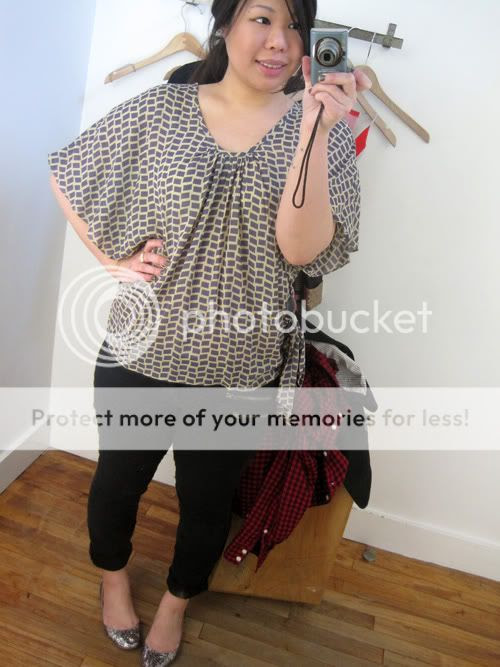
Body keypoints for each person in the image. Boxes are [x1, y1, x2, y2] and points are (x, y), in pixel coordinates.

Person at [48, 0, 371, 664]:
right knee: (119, 482)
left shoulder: (327, 131)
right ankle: (113, 578)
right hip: (140, 349)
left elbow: (301, 249)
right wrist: (111, 261)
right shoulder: (163, 110)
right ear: (225, 25)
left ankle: (176, 602)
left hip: (242, 365)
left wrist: (314, 129)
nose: (279, 40)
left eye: (295, 25)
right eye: (262, 19)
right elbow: (68, 171)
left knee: (206, 500)